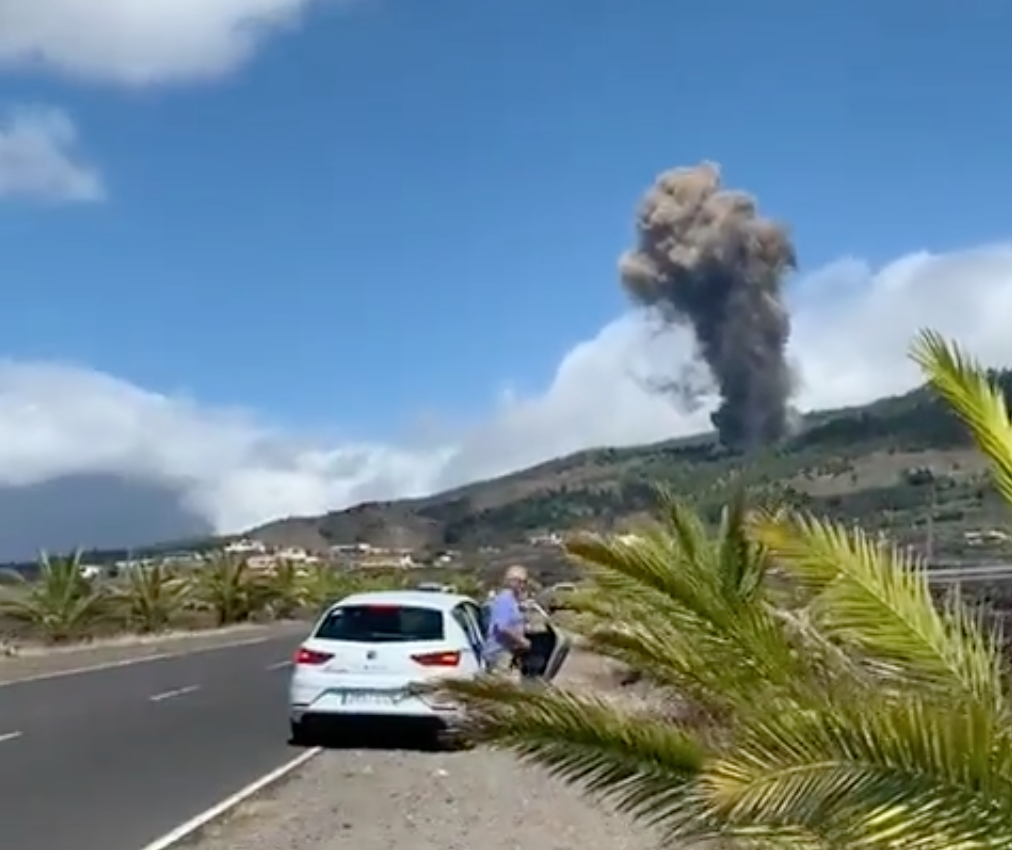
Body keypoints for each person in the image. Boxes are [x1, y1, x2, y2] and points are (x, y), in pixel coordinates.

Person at [482, 564, 530, 675]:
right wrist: (521, 641)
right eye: (519, 581)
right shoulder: (505, 599)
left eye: (524, 582)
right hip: (499, 653)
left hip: (506, 651)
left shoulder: (512, 600)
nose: (522, 585)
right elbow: (502, 627)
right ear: (510, 581)